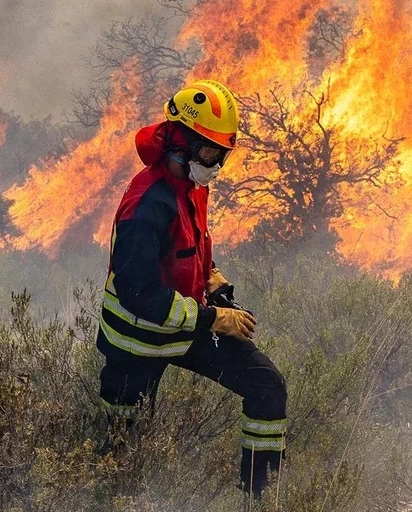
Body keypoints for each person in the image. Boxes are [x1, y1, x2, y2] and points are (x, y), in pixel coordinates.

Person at [97, 80, 287, 497]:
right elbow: (139, 294)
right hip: (136, 342)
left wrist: (213, 281)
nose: (216, 163)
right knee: (122, 456)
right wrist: (213, 318)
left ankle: (259, 497)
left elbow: (190, 246)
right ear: (178, 140)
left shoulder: (190, 185)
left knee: (267, 386)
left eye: (221, 154)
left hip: (182, 328)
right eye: (208, 151)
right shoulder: (145, 205)